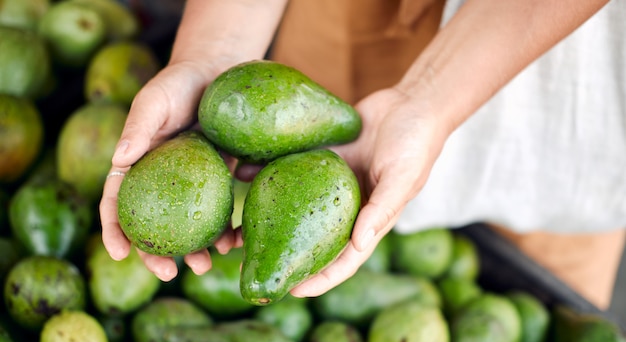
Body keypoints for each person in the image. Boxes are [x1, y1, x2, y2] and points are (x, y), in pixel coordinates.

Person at [100, 0, 626, 310]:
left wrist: (430, 97)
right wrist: (213, 51)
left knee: (546, 272)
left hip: (566, 83)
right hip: (358, 23)